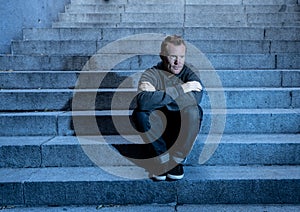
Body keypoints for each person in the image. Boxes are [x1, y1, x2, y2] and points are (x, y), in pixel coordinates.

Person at [132, 35, 203, 181]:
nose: (178, 62)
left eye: (181, 57)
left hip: (180, 126)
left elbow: (195, 99)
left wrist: (157, 97)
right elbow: (143, 102)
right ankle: (162, 160)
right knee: (140, 114)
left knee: (194, 110)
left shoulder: (190, 72)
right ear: (162, 56)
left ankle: (176, 160)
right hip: (158, 127)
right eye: (173, 57)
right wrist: (183, 89)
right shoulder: (151, 73)